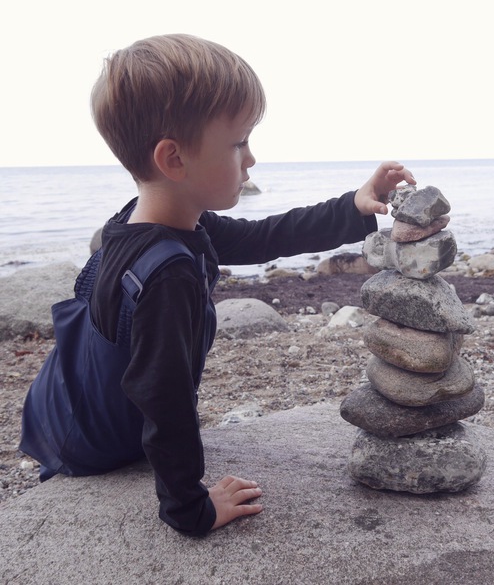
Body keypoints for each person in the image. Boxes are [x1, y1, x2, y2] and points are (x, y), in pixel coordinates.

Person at [20, 34, 416, 536]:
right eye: (238, 143)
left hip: (68, 407)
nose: (251, 159)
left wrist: (352, 206)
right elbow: (164, 400)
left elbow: (262, 236)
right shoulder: (168, 276)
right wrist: (192, 508)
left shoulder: (141, 221)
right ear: (174, 159)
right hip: (98, 443)